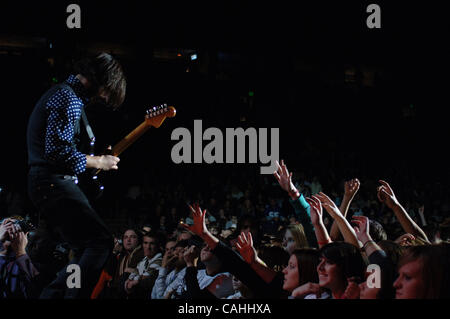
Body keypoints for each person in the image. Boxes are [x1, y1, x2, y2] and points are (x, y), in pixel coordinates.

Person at [0, 218, 40, 298]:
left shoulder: (28, 263)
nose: (13, 228)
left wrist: (21, 252)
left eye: (17, 225)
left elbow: (36, 289)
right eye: (8, 224)